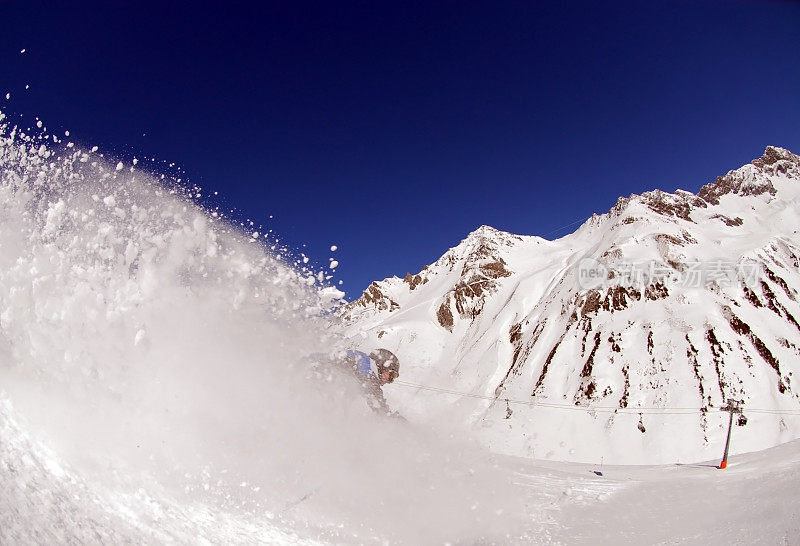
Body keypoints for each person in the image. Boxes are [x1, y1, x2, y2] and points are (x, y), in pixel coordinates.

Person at [342, 348, 400, 414]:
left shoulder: (361, 358)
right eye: (391, 375)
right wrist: (394, 420)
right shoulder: (366, 365)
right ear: (384, 365)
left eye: (393, 378)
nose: (389, 381)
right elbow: (379, 407)